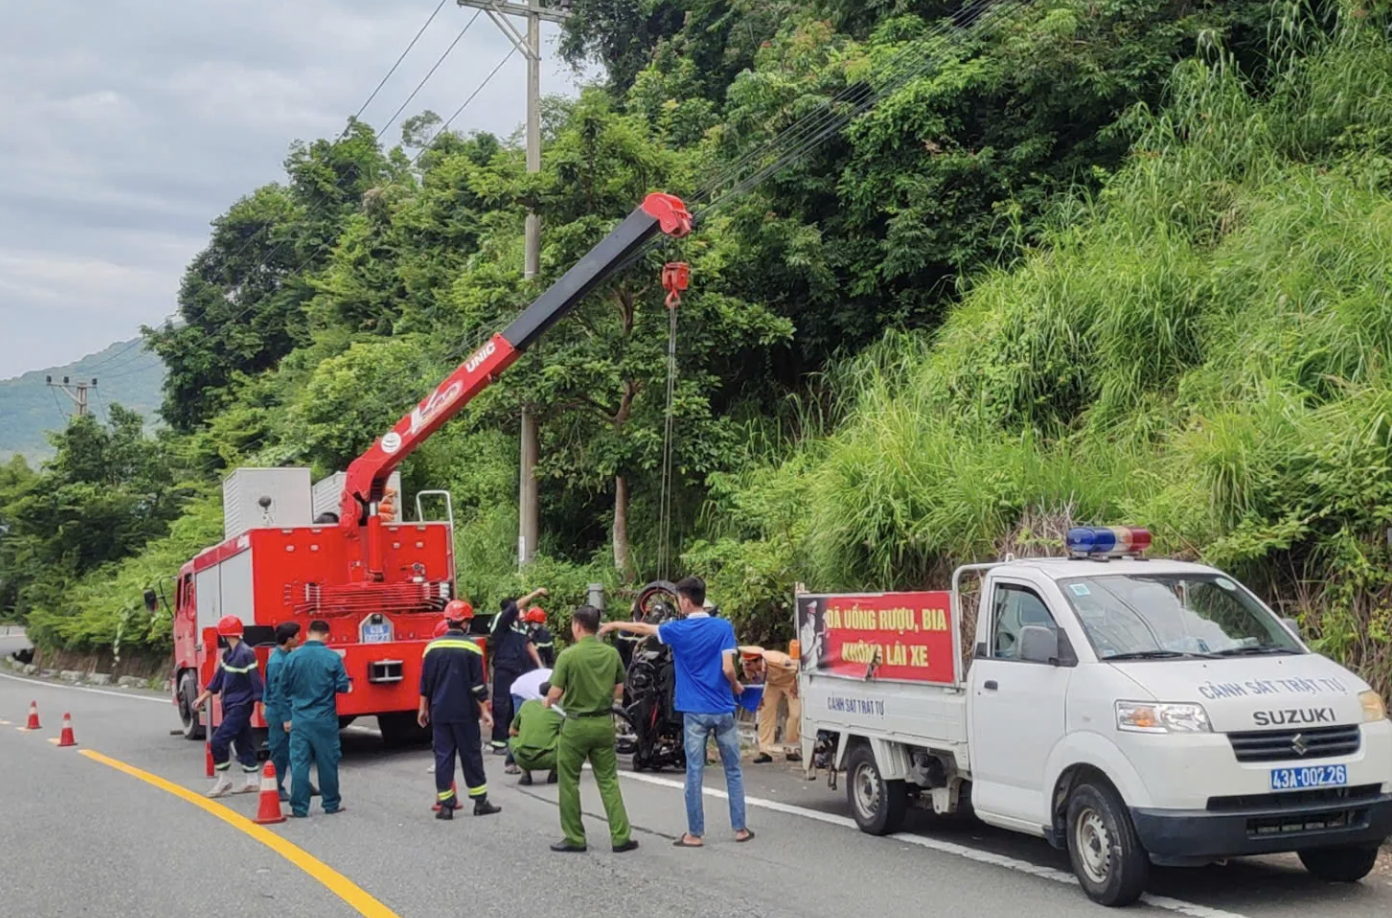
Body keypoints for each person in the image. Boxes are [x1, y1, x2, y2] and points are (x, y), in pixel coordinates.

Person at [601, 577, 753, 847]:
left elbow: (642, 627)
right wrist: (737, 686)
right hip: (723, 709)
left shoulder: (677, 630)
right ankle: (740, 829)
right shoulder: (723, 627)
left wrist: (612, 625)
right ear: (702, 599)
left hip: (694, 711)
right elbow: (729, 668)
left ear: (684, 601)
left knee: (694, 771)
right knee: (733, 770)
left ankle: (694, 834)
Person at [545, 605, 637, 854]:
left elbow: (555, 692)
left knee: (569, 782)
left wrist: (548, 701)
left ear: (577, 625)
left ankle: (575, 837)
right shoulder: (611, 654)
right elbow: (619, 689)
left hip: (575, 725)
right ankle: (621, 837)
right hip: (603, 723)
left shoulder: (568, 656)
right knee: (608, 780)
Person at [419, 600, 500, 820]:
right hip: (464, 711)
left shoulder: (431, 648)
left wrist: (422, 709)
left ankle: (446, 805)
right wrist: (484, 710)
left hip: (439, 711)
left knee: (443, 756)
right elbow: (477, 685)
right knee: (471, 755)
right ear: (465, 622)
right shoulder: (472, 647)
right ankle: (480, 801)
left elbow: (425, 683)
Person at [281, 619, 350, 818]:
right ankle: (331, 804)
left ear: (308, 632)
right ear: (326, 635)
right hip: (324, 719)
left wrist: (287, 716)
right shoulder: (332, 658)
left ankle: (299, 808)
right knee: (327, 762)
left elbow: (282, 689)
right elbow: (343, 686)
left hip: (300, 718)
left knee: (300, 763)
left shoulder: (292, 658)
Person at [192, 615, 264, 798]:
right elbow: (219, 677)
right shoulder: (228, 654)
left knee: (218, 741)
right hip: (230, 703)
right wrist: (204, 696)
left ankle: (224, 779)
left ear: (223, 634)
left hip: (241, 705)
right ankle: (252, 780)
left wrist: (261, 703)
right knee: (243, 740)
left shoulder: (246, 653)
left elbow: (256, 680)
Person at [490, 587, 548, 755]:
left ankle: (513, 736)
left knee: (518, 703)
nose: (521, 612)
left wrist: (540, 665)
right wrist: (536, 593)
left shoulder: (520, 626)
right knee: (502, 704)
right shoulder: (501, 621)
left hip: (519, 670)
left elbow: (528, 644)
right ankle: (498, 742)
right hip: (504, 668)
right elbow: (514, 607)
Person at [740, 646, 802, 764]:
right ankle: (765, 751)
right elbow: (755, 681)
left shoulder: (776, 660)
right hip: (772, 684)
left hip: (791, 681)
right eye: (745, 664)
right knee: (765, 712)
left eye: (749, 664)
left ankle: (792, 749)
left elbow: (798, 666)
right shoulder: (748, 667)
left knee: (796, 715)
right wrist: (759, 697)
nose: (746, 667)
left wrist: (796, 684)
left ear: (757, 661)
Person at [263, 622, 302, 801]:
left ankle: (301, 784)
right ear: (289, 640)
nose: (300, 639)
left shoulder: (284, 656)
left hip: (283, 709)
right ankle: (275, 787)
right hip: (279, 712)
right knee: (280, 751)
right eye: (297, 636)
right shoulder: (278, 662)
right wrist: (286, 718)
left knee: (296, 749)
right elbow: (279, 693)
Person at [509, 681, 563, 785]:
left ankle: (525, 772)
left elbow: (512, 731)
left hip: (523, 758)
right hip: (549, 757)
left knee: (512, 740)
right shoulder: (558, 710)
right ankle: (555, 771)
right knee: (565, 738)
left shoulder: (526, 705)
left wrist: (527, 735)